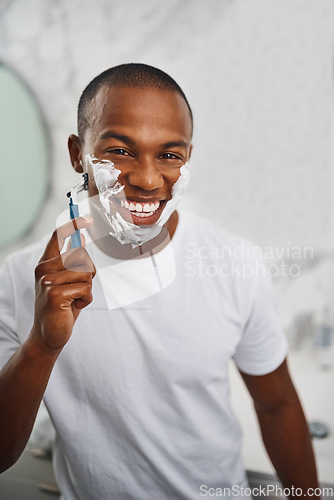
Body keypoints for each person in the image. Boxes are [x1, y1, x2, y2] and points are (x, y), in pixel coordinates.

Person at [0, 63, 319, 499]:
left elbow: (277, 403)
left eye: (169, 155)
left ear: (188, 158)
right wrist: (43, 344)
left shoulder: (233, 262)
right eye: (120, 151)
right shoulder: (20, 278)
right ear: (78, 153)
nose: (149, 180)